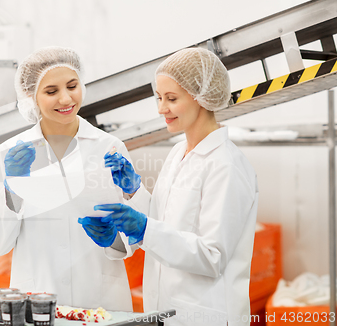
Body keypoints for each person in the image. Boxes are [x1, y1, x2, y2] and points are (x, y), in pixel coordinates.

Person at [86, 48, 259, 326]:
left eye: (171, 99)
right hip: (165, 311)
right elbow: (164, 225)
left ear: (201, 97)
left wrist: (143, 227)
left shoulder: (226, 165)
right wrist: (134, 193)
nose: (161, 109)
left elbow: (212, 257)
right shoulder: (179, 152)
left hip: (205, 316)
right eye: (159, 98)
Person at [0, 46, 146, 312]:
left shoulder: (109, 147)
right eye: (51, 91)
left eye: (72, 86)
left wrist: (120, 226)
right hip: (38, 300)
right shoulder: (10, 154)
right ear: (31, 97)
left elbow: (141, 234)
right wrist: (13, 189)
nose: (66, 99)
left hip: (101, 300)